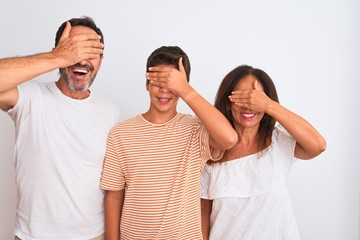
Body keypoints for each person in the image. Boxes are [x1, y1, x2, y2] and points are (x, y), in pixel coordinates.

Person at [0, 17, 120, 240]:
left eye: (91, 51)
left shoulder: (110, 112)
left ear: (101, 61)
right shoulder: (30, 97)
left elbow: (113, 188)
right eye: (74, 49)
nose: (81, 59)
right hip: (32, 236)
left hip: (92, 235)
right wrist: (57, 57)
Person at [100, 46, 238, 239]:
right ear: (147, 83)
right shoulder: (121, 134)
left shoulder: (196, 130)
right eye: (158, 82)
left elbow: (229, 139)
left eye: (172, 83)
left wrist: (186, 90)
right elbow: (114, 196)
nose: (164, 90)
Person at [200, 65, 326, 240]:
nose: (249, 106)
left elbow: (318, 145)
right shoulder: (210, 154)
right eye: (242, 98)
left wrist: (268, 105)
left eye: (255, 99)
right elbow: (202, 215)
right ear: (228, 104)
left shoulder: (278, 142)